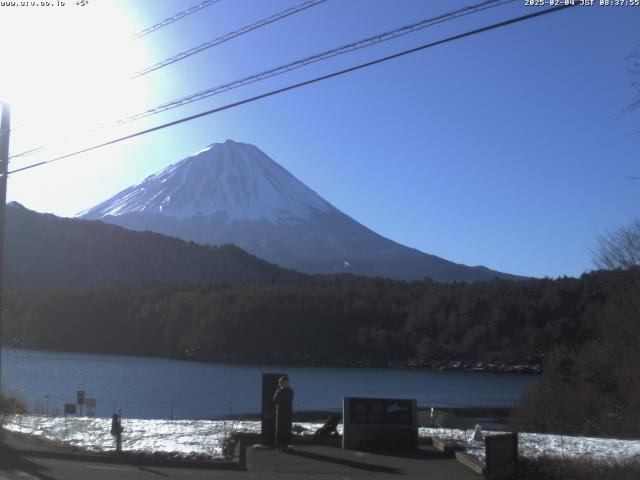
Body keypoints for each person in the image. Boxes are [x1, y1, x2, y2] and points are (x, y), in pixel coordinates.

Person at [272, 375, 294, 451]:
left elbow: (275, 400)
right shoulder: (289, 391)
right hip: (283, 412)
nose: (283, 384)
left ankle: (284, 445)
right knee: (281, 429)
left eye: (284, 382)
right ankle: (282, 445)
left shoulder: (284, 391)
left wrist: (279, 390)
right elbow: (275, 401)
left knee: (285, 429)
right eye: (282, 383)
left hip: (284, 411)